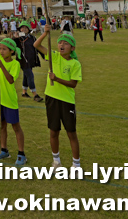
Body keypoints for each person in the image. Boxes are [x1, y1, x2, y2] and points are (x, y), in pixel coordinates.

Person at [33, 26, 82, 168]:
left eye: (65, 43)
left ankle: (76, 165)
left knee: (71, 133)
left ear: (72, 48)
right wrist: (45, 33)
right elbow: (36, 45)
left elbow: (73, 84)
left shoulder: (74, 63)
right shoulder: (53, 56)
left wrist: (57, 79)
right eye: (60, 42)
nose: (61, 45)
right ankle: (56, 161)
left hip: (66, 101)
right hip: (51, 98)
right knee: (53, 130)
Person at [0, 22, 26, 165]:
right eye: (0, 48)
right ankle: (4, 150)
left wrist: (1, 66)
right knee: (1, 125)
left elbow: (10, 80)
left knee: (15, 126)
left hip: (9, 100)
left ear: (12, 51)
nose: (1, 51)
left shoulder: (15, 64)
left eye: (4, 49)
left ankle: (21, 153)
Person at [15, 20, 43, 102]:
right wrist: (15, 38)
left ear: (28, 29)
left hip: (31, 60)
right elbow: (12, 45)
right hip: (22, 60)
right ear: (19, 29)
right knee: (30, 76)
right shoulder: (18, 39)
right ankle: (35, 95)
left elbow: (38, 47)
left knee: (26, 76)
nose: (24, 29)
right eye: (22, 27)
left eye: (25, 27)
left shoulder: (32, 38)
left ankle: (24, 92)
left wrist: (44, 56)